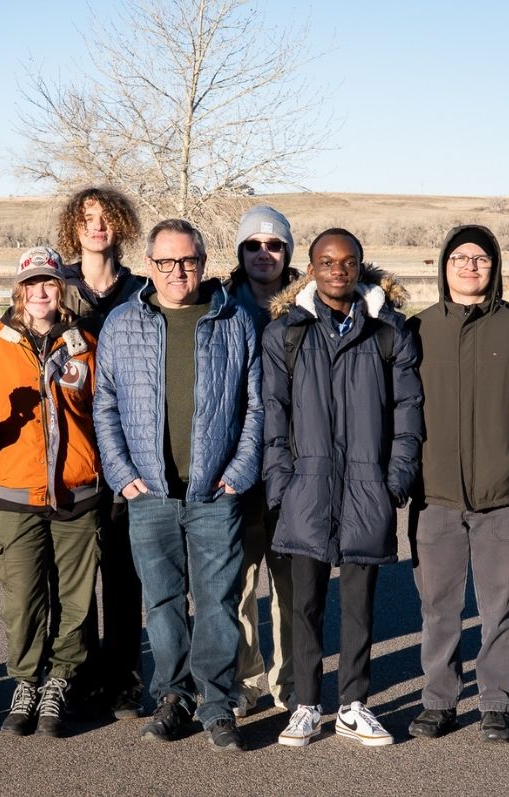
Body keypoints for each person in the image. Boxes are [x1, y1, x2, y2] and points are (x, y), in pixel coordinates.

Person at [93, 218, 263, 752]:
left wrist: (238, 473)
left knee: (217, 601)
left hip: (215, 490)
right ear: (149, 266)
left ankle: (216, 703)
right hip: (150, 492)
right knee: (163, 602)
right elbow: (105, 403)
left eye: (187, 260)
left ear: (203, 263)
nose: (177, 272)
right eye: (165, 262)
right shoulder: (123, 323)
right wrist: (123, 476)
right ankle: (173, 696)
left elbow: (255, 405)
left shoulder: (234, 320)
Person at [406, 225, 509, 744]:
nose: (470, 266)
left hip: (503, 496)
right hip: (434, 497)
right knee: (438, 608)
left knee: (501, 608)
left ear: (495, 267)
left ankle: (496, 704)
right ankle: (439, 702)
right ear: (444, 266)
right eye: (459, 257)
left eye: (481, 258)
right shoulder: (417, 329)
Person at [262, 228, 423, 748]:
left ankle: (354, 706)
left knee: (358, 607)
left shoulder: (388, 332)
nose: (338, 270)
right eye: (327, 261)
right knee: (304, 605)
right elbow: (273, 415)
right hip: (305, 490)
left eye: (348, 261)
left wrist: (394, 482)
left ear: (360, 266)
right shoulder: (286, 333)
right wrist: (281, 485)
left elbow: (408, 412)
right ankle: (307, 706)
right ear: (311, 268)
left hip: (366, 487)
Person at [0, 246, 101, 739]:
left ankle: (59, 682)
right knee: (21, 599)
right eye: (32, 284)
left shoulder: (85, 342)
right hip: (17, 493)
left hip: (77, 492)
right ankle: (26, 682)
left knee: (75, 600)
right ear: (18, 290)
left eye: (49, 282)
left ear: (61, 288)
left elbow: (102, 412)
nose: (41, 292)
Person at [55, 186, 148, 719]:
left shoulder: (138, 290)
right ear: (74, 226)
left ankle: (125, 678)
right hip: (69, 449)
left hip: (126, 448)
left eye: (106, 217)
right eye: (87, 218)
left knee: (122, 569)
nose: (97, 226)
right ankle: (81, 675)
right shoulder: (56, 288)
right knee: (74, 573)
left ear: (121, 225)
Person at [226, 205, 301, 716]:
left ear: (288, 252)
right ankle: (246, 680)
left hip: (293, 465)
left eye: (274, 245)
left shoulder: (309, 307)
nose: (263, 253)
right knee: (238, 585)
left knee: (292, 586)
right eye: (252, 245)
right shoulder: (219, 305)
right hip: (236, 466)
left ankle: (289, 681)